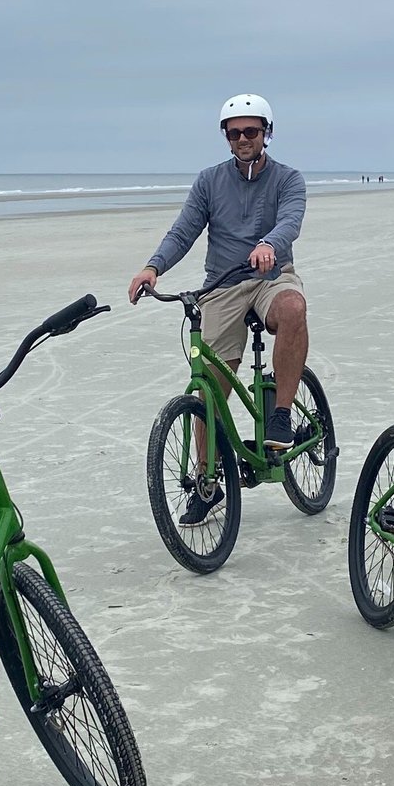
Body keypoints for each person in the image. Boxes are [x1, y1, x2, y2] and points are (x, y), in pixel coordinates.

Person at [128, 93, 308, 526]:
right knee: (208, 390)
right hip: (221, 284)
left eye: (252, 131)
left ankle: (280, 415)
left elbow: (290, 221)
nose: (243, 138)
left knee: (293, 307)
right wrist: (153, 267)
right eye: (235, 132)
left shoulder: (288, 178)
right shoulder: (209, 181)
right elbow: (184, 229)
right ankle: (208, 484)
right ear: (225, 137)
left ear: (267, 133)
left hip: (270, 275)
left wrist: (269, 245)